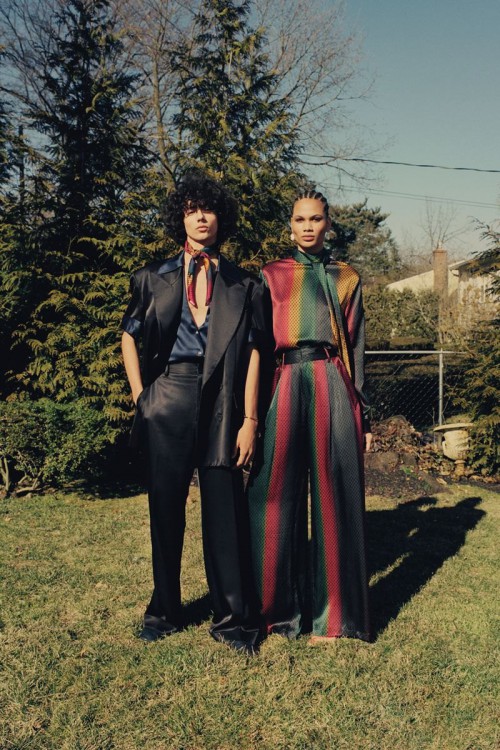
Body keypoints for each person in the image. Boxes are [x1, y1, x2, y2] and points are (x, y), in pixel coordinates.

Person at [121, 172, 268, 653]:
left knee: (224, 509)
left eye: (208, 209)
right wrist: (143, 397)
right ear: (180, 218)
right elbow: (128, 335)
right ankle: (164, 612)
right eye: (191, 209)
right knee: (165, 508)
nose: (201, 217)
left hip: (224, 399)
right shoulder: (151, 277)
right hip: (168, 396)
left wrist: (250, 420)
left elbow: (255, 353)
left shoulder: (245, 283)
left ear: (220, 217)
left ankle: (233, 619)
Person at [247, 189, 372, 644]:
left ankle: (333, 618)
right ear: (290, 226)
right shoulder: (271, 275)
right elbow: (256, 345)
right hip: (282, 381)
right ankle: (274, 614)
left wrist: (363, 413)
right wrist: (249, 413)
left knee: (334, 495)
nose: (307, 226)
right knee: (270, 493)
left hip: (331, 380)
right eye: (300, 219)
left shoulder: (347, 277)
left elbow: (356, 346)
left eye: (315, 219)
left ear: (328, 224)